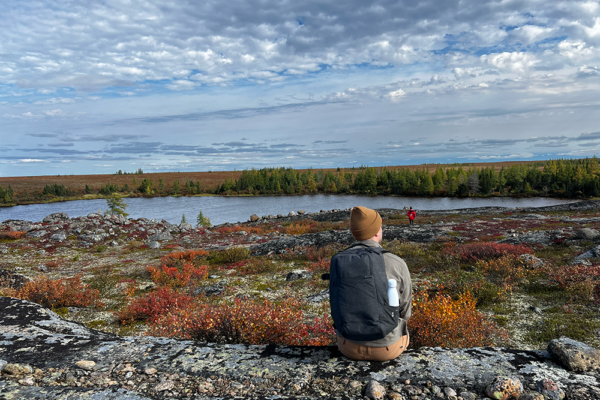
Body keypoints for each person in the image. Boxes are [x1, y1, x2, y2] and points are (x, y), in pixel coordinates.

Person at [331, 206, 412, 361]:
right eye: (380, 227)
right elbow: (405, 312)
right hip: (387, 349)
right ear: (376, 232)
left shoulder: (338, 260)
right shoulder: (396, 262)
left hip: (348, 347)